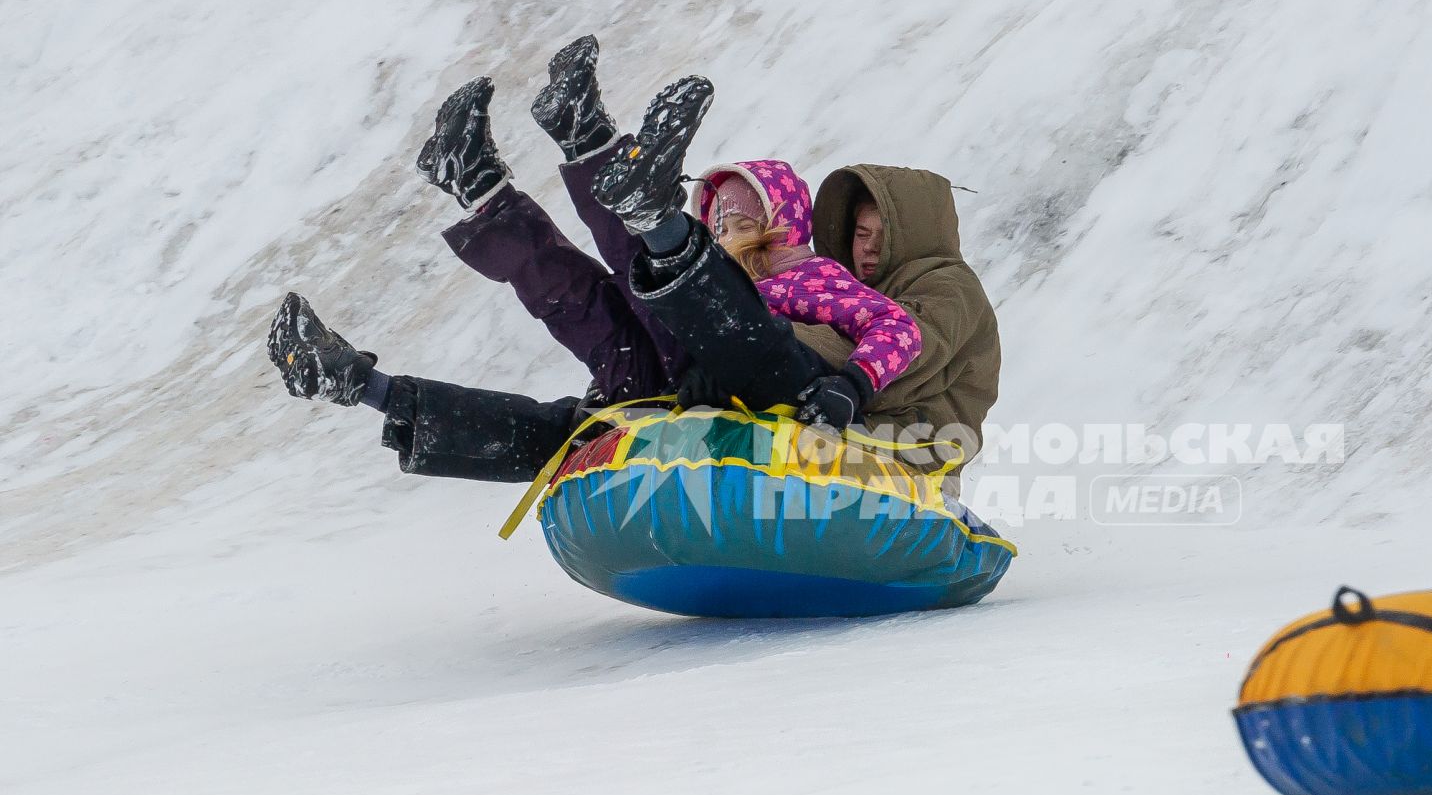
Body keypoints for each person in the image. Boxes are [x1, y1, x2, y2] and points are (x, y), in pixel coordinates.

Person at [269, 37, 1001, 479]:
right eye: (719, 212)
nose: (867, 245)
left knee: (699, 306)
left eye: (879, 233)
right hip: (712, 394)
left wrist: (849, 388)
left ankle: (619, 179)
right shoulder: (772, 278)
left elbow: (908, 340)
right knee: (583, 315)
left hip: (823, 415)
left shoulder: (915, 283)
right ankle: (365, 377)